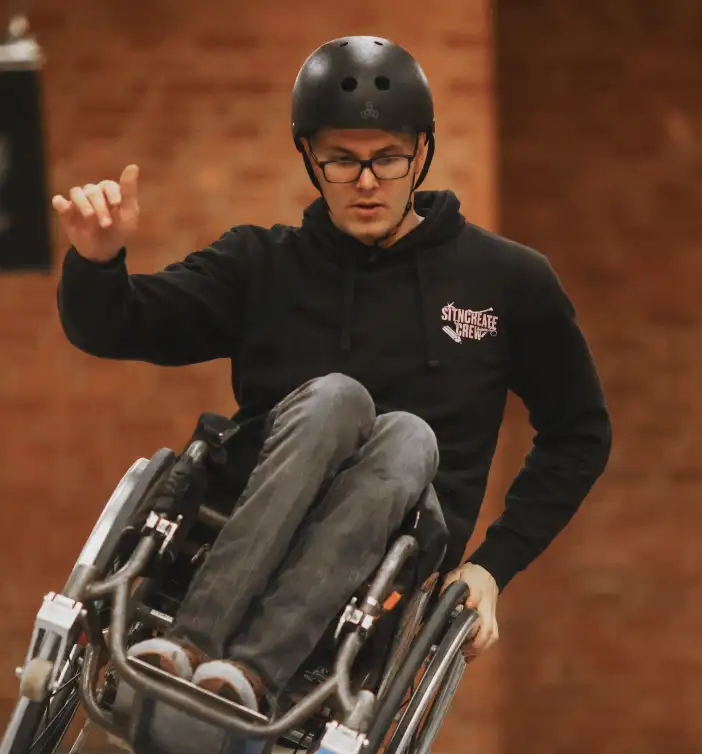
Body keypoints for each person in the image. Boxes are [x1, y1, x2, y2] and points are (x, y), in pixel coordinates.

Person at [52, 36, 612, 712]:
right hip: (249, 509)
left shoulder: (508, 281)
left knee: (408, 435)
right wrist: (97, 261)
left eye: (387, 158)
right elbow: (116, 326)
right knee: (338, 399)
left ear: (422, 152)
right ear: (309, 158)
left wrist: (493, 567)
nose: (367, 181)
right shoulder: (260, 263)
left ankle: (249, 673)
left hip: (392, 557)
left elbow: (580, 433)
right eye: (342, 160)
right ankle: (193, 645)